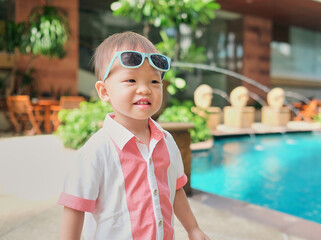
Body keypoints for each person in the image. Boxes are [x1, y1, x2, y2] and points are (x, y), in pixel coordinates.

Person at [58, 31, 210, 240]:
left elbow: (176, 191)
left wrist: (193, 228)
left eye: (154, 82)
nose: (145, 89)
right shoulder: (97, 151)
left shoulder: (165, 141)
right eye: (131, 80)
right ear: (104, 91)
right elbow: (75, 207)